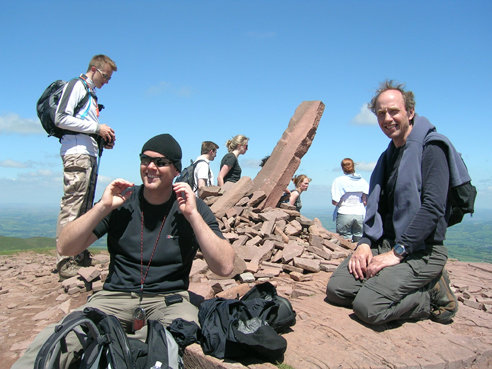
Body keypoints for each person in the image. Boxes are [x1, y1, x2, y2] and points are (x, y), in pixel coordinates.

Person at [11, 133, 235, 369]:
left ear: (176, 170)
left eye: (160, 162)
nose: (150, 167)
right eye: (145, 160)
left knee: (178, 338)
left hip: (168, 301)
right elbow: (65, 246)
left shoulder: (191, 206)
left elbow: (225, 267)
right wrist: (103, 208)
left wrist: (192, 216)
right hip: (112, 298)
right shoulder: (123, 200)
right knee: (59, 338)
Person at [326, 80, 463, 326]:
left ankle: (430, 295)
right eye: (381, 113)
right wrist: (365, 244)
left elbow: (433, 207)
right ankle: (388, 285)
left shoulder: (432, 149)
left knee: (368, 308)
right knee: (338, 290)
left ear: (410, 112)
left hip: (422, 250)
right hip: (386, 243)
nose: (387, 118)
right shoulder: (388, 156)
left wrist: (397, 254)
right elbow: (378, 209)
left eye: (394, 111)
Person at [55, 54, 118, 280]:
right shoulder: (77, 86)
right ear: (94, 69)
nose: (107, 81)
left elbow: (83, 126)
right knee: (73, 204)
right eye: (106, 76)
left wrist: (101, 138)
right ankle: (65, 260)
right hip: (77, 154)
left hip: (87, 154)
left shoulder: (90, 93)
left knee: (84, 206)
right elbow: (60, 118)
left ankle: (78, 253)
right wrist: (96, 127)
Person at [331, 158, 369, 242]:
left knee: (344, 239)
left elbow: (335, 201)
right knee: (359, 238)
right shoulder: (363, 181)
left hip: (344, 212)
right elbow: (365, 201)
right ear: (353, 166)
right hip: (360, 213)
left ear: (342, 168)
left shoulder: (339, 181)